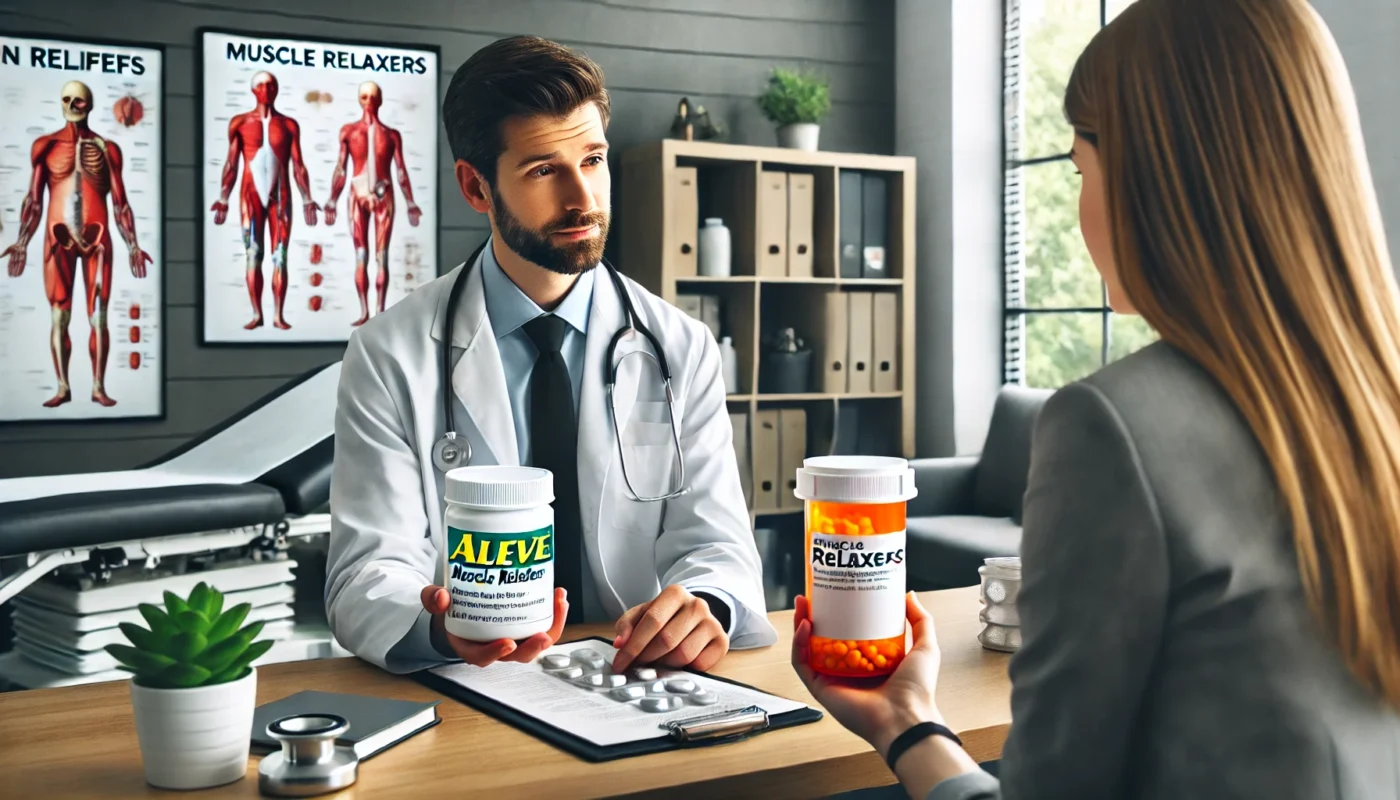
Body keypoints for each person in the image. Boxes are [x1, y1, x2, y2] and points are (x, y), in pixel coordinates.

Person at [793, 0, 1400, 797]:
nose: (1079, 214)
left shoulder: (1115, 427)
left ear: (1157, 177)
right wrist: (908, 716)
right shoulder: (1375, 408)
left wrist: (909, 730)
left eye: (1082, 170)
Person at [325, 35, 775, 677]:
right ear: (476, 187)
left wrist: (705, 607)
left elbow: (717, 545)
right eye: (544, 170)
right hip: (469, 683)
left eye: (592, 159)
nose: (583, 199)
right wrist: (439, 628)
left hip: (635, 679)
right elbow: (366, 573)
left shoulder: (679, 346)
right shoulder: (388, 354)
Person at [2, 79, 152, 409]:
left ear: (90, 105)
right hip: (59, 241)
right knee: (60, 317)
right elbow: (34, 201)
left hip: (98, 240)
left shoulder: (108, 149)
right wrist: (22, 242)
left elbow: (121, 203)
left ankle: (98, 386)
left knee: (98, 316)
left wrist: (132, 245)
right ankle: (63, 386)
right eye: (66, 100)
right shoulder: (45, 146)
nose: (72, 106)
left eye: (78, 101)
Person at [210, 70, 319, 331]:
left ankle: (278, 315)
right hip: (250, 195)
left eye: (272, 85)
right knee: (253, 254)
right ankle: (257, 313)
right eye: (263, 86)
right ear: (253, 90)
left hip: (280, 197)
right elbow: (231, 163)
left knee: (280, 256)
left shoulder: (289, 125)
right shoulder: (240, 123)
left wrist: (307, 199)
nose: (268, 90)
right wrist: (223, 198)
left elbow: (298, 165)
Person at [323, 81, 424, 327]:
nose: (368, 103)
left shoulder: (391, 135)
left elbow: (400, 170)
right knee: (361, 255)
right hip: (356, 195)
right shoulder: (348, 131)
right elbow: (340, 168)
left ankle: (378, 313)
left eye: (372, 98)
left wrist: (411, 202)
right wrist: (331, 201)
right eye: (364, 97)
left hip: (383, 195)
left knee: (382, 256)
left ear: (379, 101)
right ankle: (364, 311)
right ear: (360, 100)